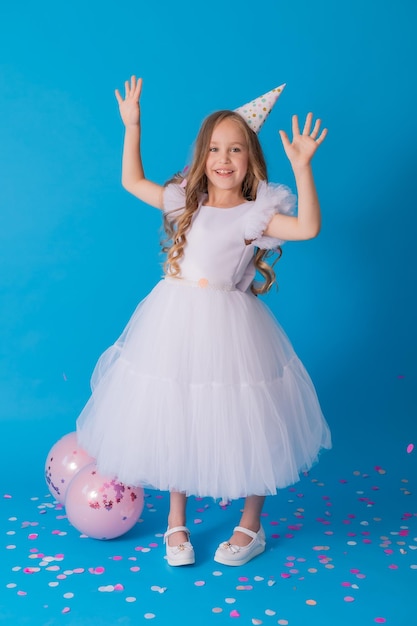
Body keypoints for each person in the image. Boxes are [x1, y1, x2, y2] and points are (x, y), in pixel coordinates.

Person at [76, 76, 331, 567]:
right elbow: (132, 180)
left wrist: (303, 168)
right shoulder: (184, 202)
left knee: (248, 418)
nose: (224, 159)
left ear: (250, 159)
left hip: (231, 330)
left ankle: (250, 525)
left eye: (236, 150)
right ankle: (177, 521)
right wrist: (133, 126)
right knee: (180, 413)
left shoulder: (256, 215)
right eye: (215, 148)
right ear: (202, 155)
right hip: (173, 321)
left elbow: (308, 228)